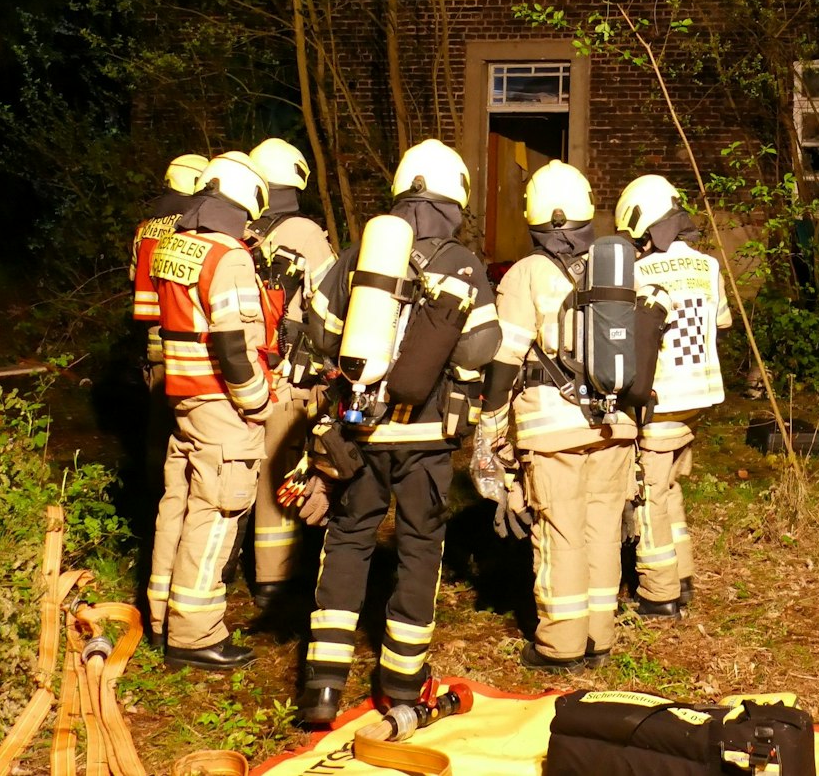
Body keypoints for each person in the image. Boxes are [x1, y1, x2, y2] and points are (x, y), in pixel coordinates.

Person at [297, 140, 499, 723]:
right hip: (427, 435)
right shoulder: (463, 263)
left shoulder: (362, 252)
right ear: (454, 199)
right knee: (418, 549)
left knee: (348, 541)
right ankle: (404, 685)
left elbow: (320, 329)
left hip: (359, 433)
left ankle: (323, 686)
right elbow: (482, 344)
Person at [479, 160, 637, 672]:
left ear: (533, 218)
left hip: (552, 427)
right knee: (602, 527)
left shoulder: (525, 275)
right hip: (615, 422)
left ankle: (560, 645)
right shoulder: (616, 268)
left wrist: (491, 425)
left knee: (562, 532)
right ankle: (601, 635)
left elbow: (505, 360)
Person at [145, 151, 275, 671]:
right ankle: (196, 634)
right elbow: (233, 347)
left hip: (182, 396)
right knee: (218, 512)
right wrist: (258, 403)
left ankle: (162, 619)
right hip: (221, 401)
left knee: (177, 505)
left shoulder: (175, 246)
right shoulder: (229, 256)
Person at [614, 174, 732, 617]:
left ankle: (659, 593)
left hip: (661, 398)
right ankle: (682, 575)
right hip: (701, 395)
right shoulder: (710, 265)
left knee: (647, 493)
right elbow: (718, 323)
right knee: (669, 486)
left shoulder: (640, 271)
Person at [244, 137, 337, 607]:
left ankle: (233, 566)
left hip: (242, 370)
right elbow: (328, 303)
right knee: (282, 467)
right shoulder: (304, 231)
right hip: (290, 374)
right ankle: (277, 578)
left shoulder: (236, 226)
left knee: (245, 467)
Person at [131, 153, 208, 501]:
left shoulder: (145, 228)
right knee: (189, 429)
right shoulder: (193, 230)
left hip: (153, 343)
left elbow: (135, 277)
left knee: (155, 427)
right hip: (188, 343)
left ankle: (150, 499)